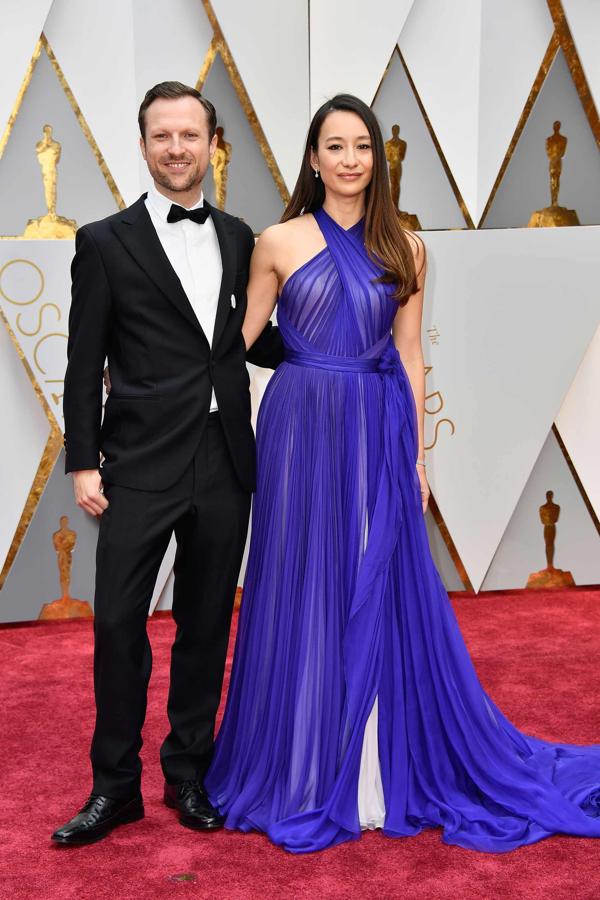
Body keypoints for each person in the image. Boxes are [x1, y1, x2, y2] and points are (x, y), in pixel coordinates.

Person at [205, 94, 600, 854]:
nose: (350, 158)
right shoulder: (277, 241)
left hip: (375, 425)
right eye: (335, 145)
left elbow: (413, 357)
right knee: (303, 580)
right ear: (313, 157)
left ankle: (375, 773)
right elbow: (239, 341)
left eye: (362, 146)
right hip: (297, 425)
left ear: (375, 160)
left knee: (370, 580)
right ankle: (302, 766)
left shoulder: (409, 250)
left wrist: (415, 457)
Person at [52, 82, 283, 845]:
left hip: (223, 462)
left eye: (190, 135)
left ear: (213, 145)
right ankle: (113, 787)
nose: (177, 149)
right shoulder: (104, 241)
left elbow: (252, 340)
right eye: (162, 136)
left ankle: (188, 775)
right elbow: (84, 362)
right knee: (118, 624)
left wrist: (345, 351)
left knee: (205, 625)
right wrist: (84, 462)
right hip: (138, 463)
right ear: (143, 144)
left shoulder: (245, 236)